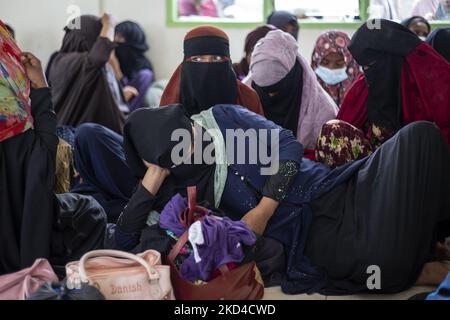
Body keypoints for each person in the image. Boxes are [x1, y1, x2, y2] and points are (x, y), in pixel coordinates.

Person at [87, 103, 450, 295]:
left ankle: (427, 246)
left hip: (335, 188)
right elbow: (123, 242)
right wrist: (151, 181)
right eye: (184, 148)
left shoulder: (222, 118)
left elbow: (288, 146)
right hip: (308, 238)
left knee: (419, 140)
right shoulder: (176, 199)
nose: (196, 142)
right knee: (378, 261)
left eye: (192, 133)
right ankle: (422, 259)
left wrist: (264, 208)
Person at [0, 43, 106, 274]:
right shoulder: (21, 139)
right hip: (33, 249)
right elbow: (47, 149)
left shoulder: (61, 59)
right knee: (91, 209)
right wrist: (40, 84)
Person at [318, 20, 450, 167]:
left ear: (392, 58)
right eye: (365, 67)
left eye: (372, 65)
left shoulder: (432, 83)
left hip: (416, 170)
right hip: (374, 171)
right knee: (333, 131)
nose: (369, 72)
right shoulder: (364, 85)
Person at [245, 30, 338, 151]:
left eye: (277, 89)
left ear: (292, 76)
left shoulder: (322, 112)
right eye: (263, 90)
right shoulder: (244, 95)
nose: (270, 95)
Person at [48, 14, 128, 134]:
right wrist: (109, 24)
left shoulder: (59, 59)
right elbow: (100, 55)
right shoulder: (71, 62)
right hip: (80, 138)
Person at [160, 26, 264, 117]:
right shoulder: (172, 102)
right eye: (197, 59)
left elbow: (261, 137)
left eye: (217, 58)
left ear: (228, 60)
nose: (207, 66)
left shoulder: (248, 98)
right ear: (185, 62)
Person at [311, 31, 362, 107]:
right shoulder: (306, 88)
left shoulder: (362, 89)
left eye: (339, 63)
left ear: (350, 63)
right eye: (325, 62)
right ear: (316, 61)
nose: (331, 68)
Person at [113, 21, 154, 111]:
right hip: (112, 104)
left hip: (128, 111)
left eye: (120, 38)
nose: (115, 41)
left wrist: (118, 72)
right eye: (115, 36)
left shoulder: (143, 65)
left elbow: (131, 93)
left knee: (145, 75)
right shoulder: (112, 58)